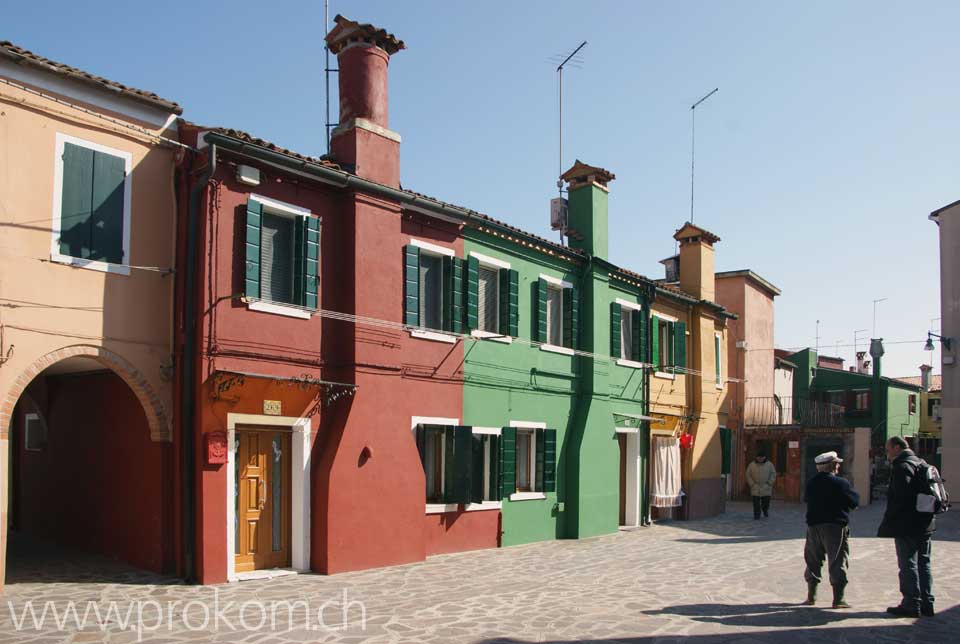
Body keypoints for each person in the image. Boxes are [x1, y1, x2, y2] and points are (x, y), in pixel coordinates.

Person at [878, 436, 936, 617]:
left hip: (907, 524)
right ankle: (927, 603)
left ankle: (911, 603)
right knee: (924, 564)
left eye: (888, 450)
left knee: (908, 563)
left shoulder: (902, 466)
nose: (887, 454)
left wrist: (891, 520)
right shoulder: (921, 463)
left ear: (896, 448)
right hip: (926, 522)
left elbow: (901, 498)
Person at [802, 451, 860, 608]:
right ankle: (838, 598)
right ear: (833, 466)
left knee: (813, 560)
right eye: (837, 463)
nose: (839, 466)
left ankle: (811, 596)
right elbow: (854, 501)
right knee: (837, 560)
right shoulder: (841, 483)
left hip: (814, 526)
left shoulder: (811, 483)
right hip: (835, 526)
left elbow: (806, 499)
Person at [745, 451, 777, 520]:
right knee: (756, 503)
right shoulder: (751, 465)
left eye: (762, 457)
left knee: (765, 502)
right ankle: (757, 515)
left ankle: (765, 510)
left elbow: (773, 474)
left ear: (764, 457)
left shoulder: (770, 464)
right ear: (756, 457)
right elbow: (748, 475)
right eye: (758, 457)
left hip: (766, 486)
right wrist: (752, 484)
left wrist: (769, 483)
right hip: (755, 486)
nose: (760, 459)